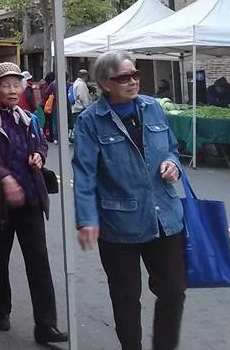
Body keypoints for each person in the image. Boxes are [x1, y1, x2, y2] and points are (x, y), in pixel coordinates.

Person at [72, 49, 185, 350]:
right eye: (124, 78)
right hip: (119, 224)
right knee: (125, 298)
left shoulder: (153, 108)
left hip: (165, 218)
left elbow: (173, 148)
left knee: (174, 291)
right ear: (106, 83)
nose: (133, 81)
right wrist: (86, 219)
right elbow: (84, 174)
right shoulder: (90, 121)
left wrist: (174, 164)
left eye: (135, 74)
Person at [0, 62, 68, 345]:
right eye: (6, 85)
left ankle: (46, 324)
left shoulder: (29, 118)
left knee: (39, 261)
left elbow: (42, 144)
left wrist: (39, 155)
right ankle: (3, 308)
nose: (13, 90)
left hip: (30, 200)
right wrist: (5, 179)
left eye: (16, 85)